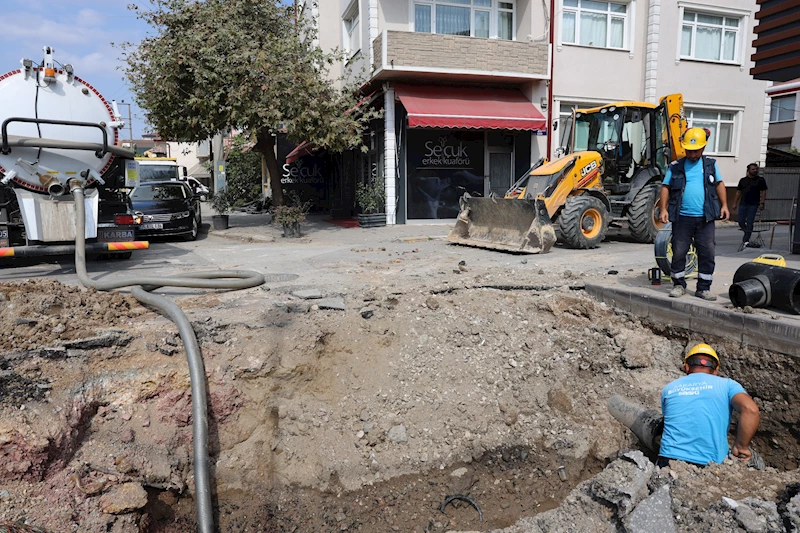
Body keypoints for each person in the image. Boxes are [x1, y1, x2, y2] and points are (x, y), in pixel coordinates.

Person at [657, 343, 760, 468]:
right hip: (709, 467)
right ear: (715, 370)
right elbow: (751, 410)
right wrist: (741, 447)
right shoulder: (727, 385)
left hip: (668, 462)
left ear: (687, 367)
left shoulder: (669, 388)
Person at [658, 127, 730, 301]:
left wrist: (724, 205)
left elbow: (719, 184)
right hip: (682, 218)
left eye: (695, 151)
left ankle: (703, 288)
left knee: (707, 251)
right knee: (679, 251)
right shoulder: (675, 167)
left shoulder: (710, 165)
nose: (691, 154)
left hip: (705, 217)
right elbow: (666, 187)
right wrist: (663, 209)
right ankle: (678, 285)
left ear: (703, 148)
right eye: (689, 151)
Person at [732, 163, 768, 248]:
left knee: (750, 222)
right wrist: (734, 203)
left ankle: (746, 239)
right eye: (753, 169)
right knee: (741, 221)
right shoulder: (743, 180)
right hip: (743, 203)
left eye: (756, 169)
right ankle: (747, 232)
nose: (755, 171)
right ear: (748, 170)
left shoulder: (760, 180)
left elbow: (763, 191)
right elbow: (738, 192)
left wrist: (762, 202)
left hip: (753, 204)